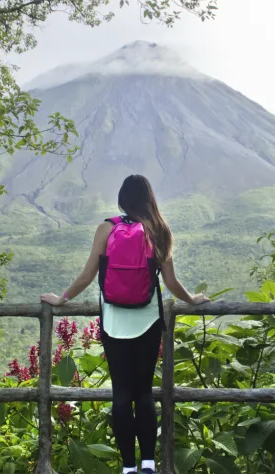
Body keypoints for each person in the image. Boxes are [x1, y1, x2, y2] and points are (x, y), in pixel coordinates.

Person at [41, 174, 210, 474]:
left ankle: (128, 468)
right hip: (147, 320)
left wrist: (62, 298)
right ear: (149, 199)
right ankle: (148, 464)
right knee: (144, 392)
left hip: (114, 321)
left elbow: (88, 274)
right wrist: (192, 299)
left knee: (121, 395)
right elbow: (170, 282)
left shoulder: (107, 228)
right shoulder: (159, 229)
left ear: (122, 199)